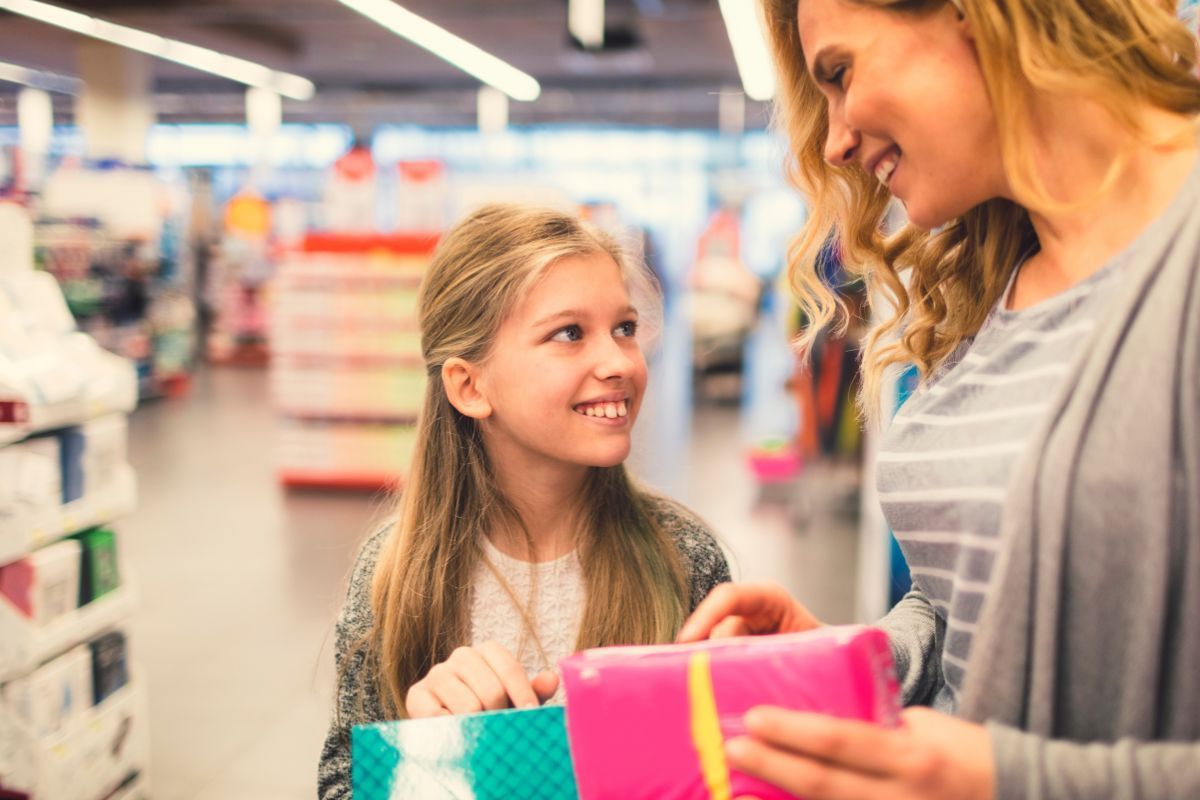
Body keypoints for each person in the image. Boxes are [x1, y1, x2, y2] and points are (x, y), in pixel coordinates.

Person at [677, 0, 1200, 798]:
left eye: (842, 74)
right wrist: (861, 664)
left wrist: (1010, 783)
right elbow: (968, 604)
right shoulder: (992, 273)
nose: (835, 140)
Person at [317, 204, 731, 798]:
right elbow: (341, 781)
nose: (619, 362)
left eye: (625, 328)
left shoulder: (683, 557)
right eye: (569, 334)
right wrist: (421, 759)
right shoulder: (392, 575)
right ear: (470, 385)